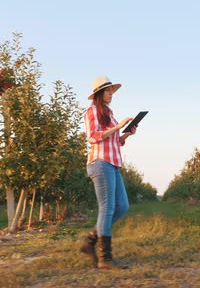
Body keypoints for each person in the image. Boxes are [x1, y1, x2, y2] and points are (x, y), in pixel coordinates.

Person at [80, 76, 136, 270]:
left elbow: (114, 141)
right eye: (108, 90)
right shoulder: (92, 111)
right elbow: (93, 137)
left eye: (112, 91)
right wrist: (118, 126)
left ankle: (90, 240)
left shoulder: (109, 113)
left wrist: (125, 134)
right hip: (100, 162)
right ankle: (105, 259)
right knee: (107, 208)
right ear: (99, 93)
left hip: (113, 163)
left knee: (122, 206)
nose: (111, 93)